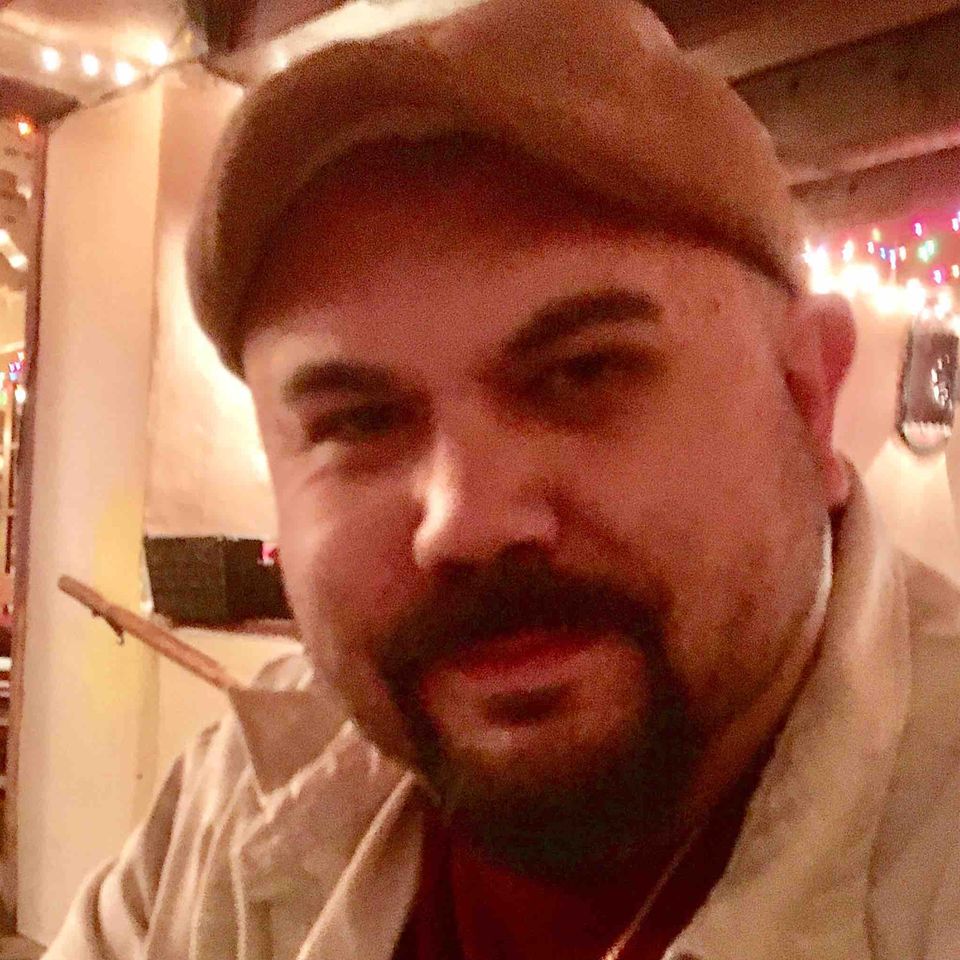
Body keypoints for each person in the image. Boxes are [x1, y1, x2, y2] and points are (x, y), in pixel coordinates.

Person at [45, 0, 960, 957]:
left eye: (583, 372)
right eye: (358, 421)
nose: (466, 521)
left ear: (808, 398)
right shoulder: (233, 803)